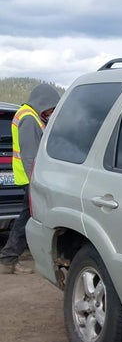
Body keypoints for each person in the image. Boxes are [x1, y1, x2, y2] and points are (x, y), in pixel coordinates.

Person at [1, 83, 61, 274]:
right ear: (44, 102)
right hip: (31, 180)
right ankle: (8, 259)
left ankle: (9, 258)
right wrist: (36, 183)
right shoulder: (29, 118)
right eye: (52, 107)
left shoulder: (31, 115)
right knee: (26, 218)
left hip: (30, 179)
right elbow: (29, 156)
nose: (52, 111)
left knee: (27, 217)